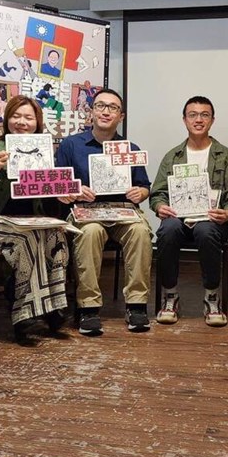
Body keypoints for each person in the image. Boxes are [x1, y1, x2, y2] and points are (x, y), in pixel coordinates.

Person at [0, 96, 70, 345]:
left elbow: (48, 196)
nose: (22, 122)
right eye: (16, 116)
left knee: (57, 237)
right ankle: (23, 314)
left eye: (28, 117)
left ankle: (52, 306)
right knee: (28, 241)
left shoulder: (45, 152)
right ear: (7, 119)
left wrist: (62, 193)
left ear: (37, 123)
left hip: (30, 220)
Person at [55, 88, 152, 336]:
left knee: (140, 231)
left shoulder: (130, 148)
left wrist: (140, 193)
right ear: (91, 112)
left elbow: (144, 186)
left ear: (121, 116)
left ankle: (137, 305)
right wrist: (75, 191)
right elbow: (58, 185)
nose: (106, 111)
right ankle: (88, 308)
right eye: (100, 106)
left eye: (113, 107)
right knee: (90, 232)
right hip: (86, 213)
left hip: (123, 212)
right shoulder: (71, 145)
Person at [149, 96, 228, 327]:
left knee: (206, 230)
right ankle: (170, 295)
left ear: (212, 120)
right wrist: (160, 206)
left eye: (205, 115)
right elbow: (158, 192)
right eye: (193, 115)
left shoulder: (225, 155)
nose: (199, 119)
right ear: (184, 120)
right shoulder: (173, 156)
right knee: (168, 230)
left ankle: (212, 296)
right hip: (179, 219)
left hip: (211, 220)